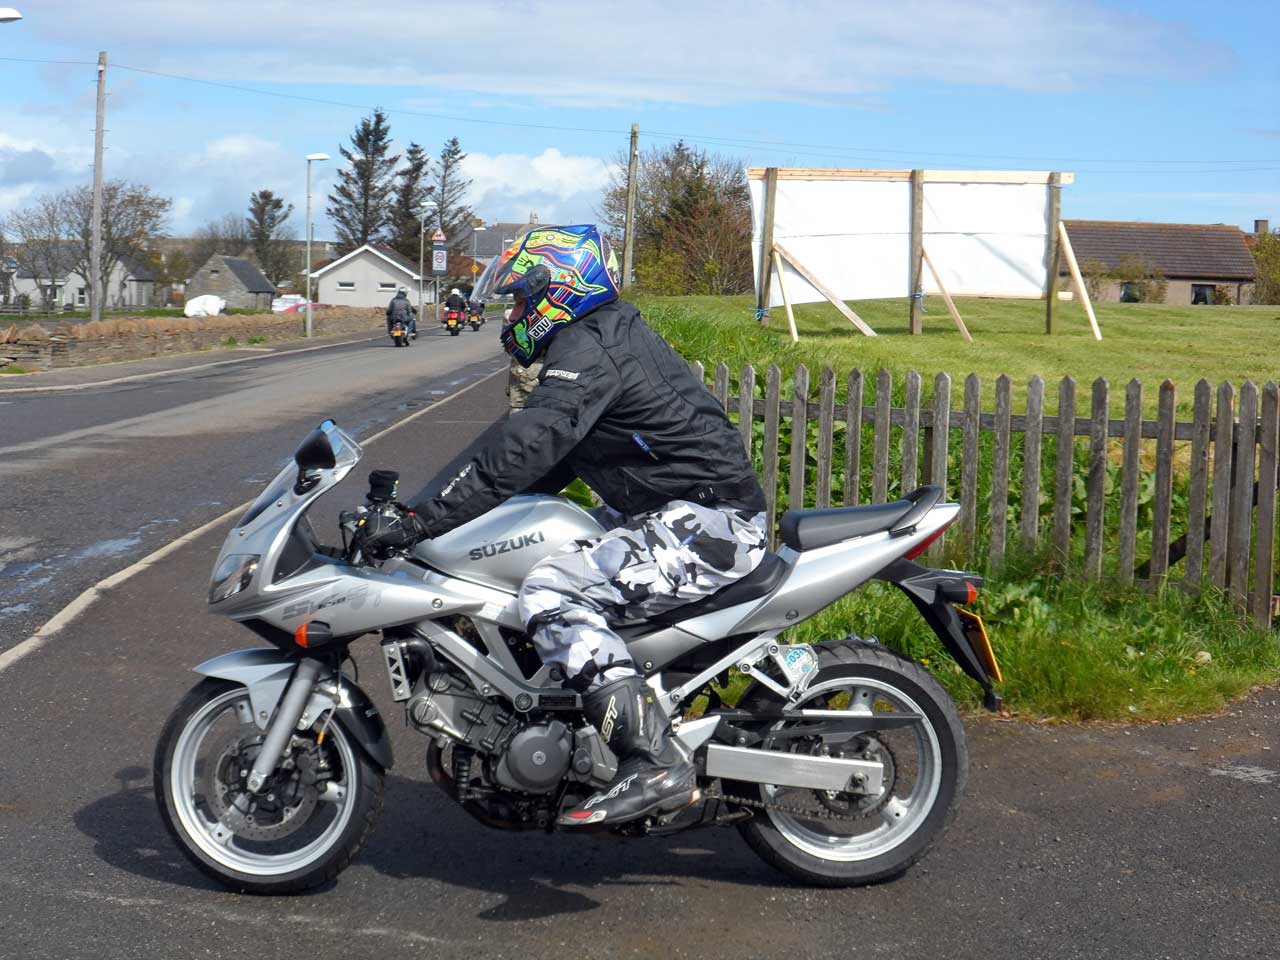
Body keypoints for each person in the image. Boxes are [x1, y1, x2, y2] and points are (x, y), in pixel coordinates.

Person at [354, 225, 767, 828]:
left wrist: (418, 518)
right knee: (525, 547)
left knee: (551, 590)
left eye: (522, 299)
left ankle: (651, 761)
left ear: (559, 290)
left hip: (711, 526)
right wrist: (438, 516)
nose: (514, 313)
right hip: (669, 512)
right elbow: (538, 460)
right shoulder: (598, 336)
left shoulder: (590, 349)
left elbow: (525, 443)